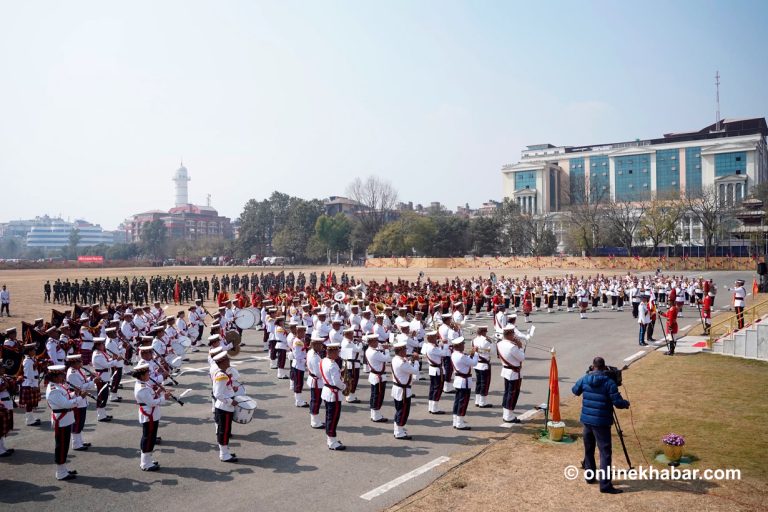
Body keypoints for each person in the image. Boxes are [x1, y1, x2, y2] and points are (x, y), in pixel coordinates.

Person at [571, 357, 630, 494]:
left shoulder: (585, 378)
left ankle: (590, 477)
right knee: (605, 453)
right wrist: (626, 403)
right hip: (602, 423)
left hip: (587, 421)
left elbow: (575, 390)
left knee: (589, 449)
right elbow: (617, 402)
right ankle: (605, 485)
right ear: (604, 368)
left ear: (593, 367)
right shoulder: (609, 382)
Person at [45, 364, 83, 481]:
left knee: (64, 445)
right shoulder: (54, 390)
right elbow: (66, 404)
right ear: (55, 377)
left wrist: (75, 394)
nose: (63, 376)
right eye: (61, 374)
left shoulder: (58, 386)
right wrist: (80, 398)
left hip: (65, 418)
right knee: (61, 446)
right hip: (61, 420)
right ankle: (60, 472)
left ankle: (63, 469)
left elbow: (66, 397)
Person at [133, 361, 170, 471]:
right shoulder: (142, 388)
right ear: (142, 375)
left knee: (150, 437)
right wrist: (164, 398)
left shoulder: (144, 383)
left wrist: (158, 391)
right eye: (147, 373)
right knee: (148, 438)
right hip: (149, 414)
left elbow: (151, 396)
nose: (149, 375)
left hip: (151, 413)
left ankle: (147, 459)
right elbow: (151, 402)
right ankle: (145, 464)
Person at [211, 351, 240, 463]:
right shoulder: (222, 375)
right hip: (224, 408)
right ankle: (224, 455)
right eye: (227, 360)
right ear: (222, 362)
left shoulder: (222, 373)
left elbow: (223, 390)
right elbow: (217, 394)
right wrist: (229, 401)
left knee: (224, 430)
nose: (229, 361)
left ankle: (225, 451)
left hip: (224, 407)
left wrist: (233, 390)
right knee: (224, 431)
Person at [319, 342, 346, 450]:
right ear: (332, 352)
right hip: (333, 394)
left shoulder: (324, 361)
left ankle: (331, 439)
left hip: (326, 391)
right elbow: (337, 383)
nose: (338, 354)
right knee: (333, 418)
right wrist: (344, 386)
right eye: (337, 352)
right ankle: (332, 442)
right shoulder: (333, 364)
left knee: (329, 417)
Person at [390, 340, 419, 440]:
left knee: (399, 410)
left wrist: (410, 360)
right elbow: (415, 371)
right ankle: (399, 432)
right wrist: (416, 361)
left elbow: (407, 365)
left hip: (398, 389)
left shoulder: (396, 359)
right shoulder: (402, 362)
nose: (406, 352)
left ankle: (398, 429)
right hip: (403, 391)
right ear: (401, 351)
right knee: (403, 411)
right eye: (404, 350)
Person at [497, 326, 525, 423]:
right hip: (513, 373)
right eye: (513, 334)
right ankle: (509, 416)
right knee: (513, 394)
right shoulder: (512, 346)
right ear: (509, 334)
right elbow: (521, 358)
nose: (514, 336)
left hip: (506, 371)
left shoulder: (500, 343)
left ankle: (506, 414)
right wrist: (520, 347)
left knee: (507, 392)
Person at [450, 337, 478, 430]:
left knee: (458, 401)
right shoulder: (462, 356)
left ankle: (455, 420)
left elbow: (467, 362)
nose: (464, 345)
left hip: (458, 381)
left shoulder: (454, 354)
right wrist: (476, 353)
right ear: (459, 345)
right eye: (462, 344)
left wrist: (471, 354)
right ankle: (460, 423)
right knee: (463, 402)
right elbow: (474, 363)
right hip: (464, 382)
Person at [19, 343, 42, 426]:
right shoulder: (28, 361)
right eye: (33, 350)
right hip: (29, 384)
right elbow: (29, 375)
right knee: (29, 404)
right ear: (28, 352)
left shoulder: (31, 359)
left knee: (32, 403)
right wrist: (34, 385)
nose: (34, 351)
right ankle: (29, 420)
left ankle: (31, 418)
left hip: (32, 382)